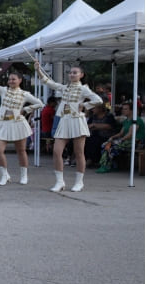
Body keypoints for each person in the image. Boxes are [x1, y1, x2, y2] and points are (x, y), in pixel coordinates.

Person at [35, 62, 102, 192]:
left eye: (75, 72)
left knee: (78, 153)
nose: (71, 74)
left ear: (81, 75)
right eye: (70, 72)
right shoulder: (64, 87)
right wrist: (38, 70)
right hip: (64, 120)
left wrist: (84, 105)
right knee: (57, 151)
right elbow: (48, 82)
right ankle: (60, 182)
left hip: (77, 120)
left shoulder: (84, 89)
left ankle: (79, 182)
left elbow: (98, 100)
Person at [0, 68, 44, 186]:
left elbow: (40, 103)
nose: (11, 81)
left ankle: (24, 175)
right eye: (9, 79)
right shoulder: (3, 91)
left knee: (21, 150)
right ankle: (4, 175)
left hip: (18, 123)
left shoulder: (25, 94)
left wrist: (25, 109)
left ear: (20, 80)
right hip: (3, 123)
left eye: (14, 79)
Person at [98, 103, 144, 173]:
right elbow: (121, 133)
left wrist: (119, 140)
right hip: (126, 141)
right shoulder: (126, 121)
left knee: (111, 146)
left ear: (131, 110)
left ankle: (106, 165)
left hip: (136, 142)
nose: (123, 110)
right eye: (123, 109)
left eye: (126, 109)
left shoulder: (136, 120)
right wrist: (112, 137)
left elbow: (130, 134)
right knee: (105, 144)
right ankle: (109, 165)